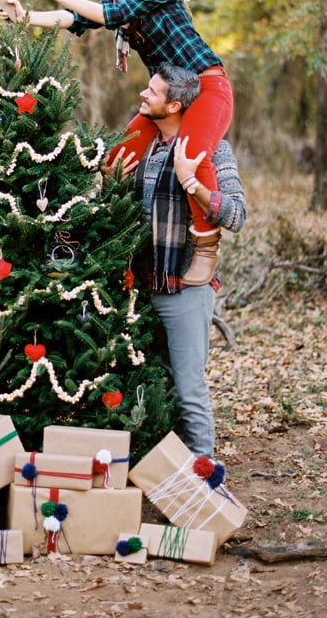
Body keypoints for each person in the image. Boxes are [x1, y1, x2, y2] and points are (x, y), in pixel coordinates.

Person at [0, 0, 233, 286]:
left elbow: (110, 17)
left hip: (205, 84)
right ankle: (122, 245)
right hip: (168, 95)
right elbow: (76, 18)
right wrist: (24, 17)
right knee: (116, 159)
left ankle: (206, 246)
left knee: (192, 154)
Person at [103, 63, 246, 457]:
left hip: (185, 290)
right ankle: (162, 469)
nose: (142, 96)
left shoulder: (212, 149)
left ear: (174, 105)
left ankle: (202, 481)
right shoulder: (142, 148)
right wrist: (108, 183)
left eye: (152, 91)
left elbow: (236, 214)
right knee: (153, 382)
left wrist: (192, 181)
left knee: (188, 389)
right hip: (139, 289)